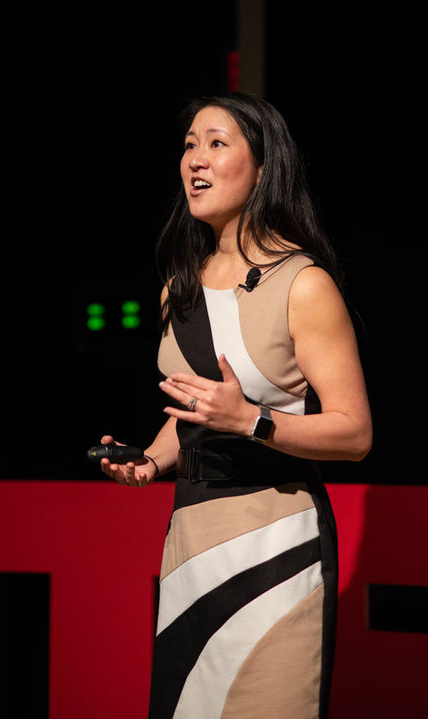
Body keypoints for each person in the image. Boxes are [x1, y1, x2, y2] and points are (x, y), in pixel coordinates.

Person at [100, 91, 372, 719]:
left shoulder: (303, 283)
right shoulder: (178, 288)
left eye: (216, 144)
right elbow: (195, 411)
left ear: (263, 167)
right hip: (191, 539)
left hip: (276, 539)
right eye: (189, 145)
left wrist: (250, 419)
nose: (195, 159)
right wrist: (149, 461)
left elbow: (355, 433)